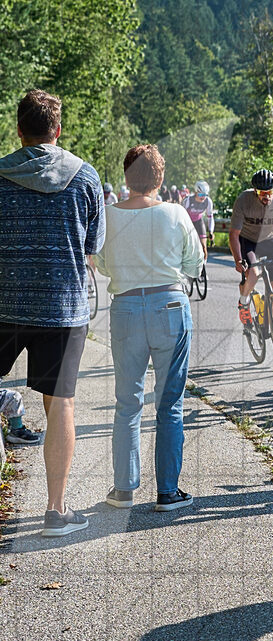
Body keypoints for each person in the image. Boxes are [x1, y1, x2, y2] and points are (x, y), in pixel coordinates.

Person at [0, 89, 105, 537]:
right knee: (59, 404)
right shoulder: (85, 179)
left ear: (19, 131)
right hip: (62, 308)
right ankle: (55, 512)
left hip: (3, 305)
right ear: (57, 131)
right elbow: (92, 248)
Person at [95, 144, 203, 512]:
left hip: (125, 308)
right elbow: (194, 264)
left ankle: (124, 490)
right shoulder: (176, 213)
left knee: (127, 403)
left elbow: (103, 265)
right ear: (160, 178)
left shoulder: (107, 215)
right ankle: (168, 492)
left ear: (126, 177)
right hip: (169, 306)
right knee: (169, 403)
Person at [229, 170, 273, 353]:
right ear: (254, 191)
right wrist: (238, 259)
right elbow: (233, 234)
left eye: (269, 192)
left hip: (268, 241)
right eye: (261, 193)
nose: (266, 197)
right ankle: (243, 302)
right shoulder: (244, 200)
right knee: (254, 273)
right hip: (247, 241)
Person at [182, 180, 213, 259]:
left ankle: (203, 267)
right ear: (195, 192)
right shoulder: (188, 200)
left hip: (199, 221)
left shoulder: (208, 201)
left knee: (204, 247)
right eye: (201, 194)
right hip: (188, 222)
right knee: (187, 248)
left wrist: (211, 231)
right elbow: (181, 216)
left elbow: (210, 217)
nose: (203, 197)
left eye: (205, 194)